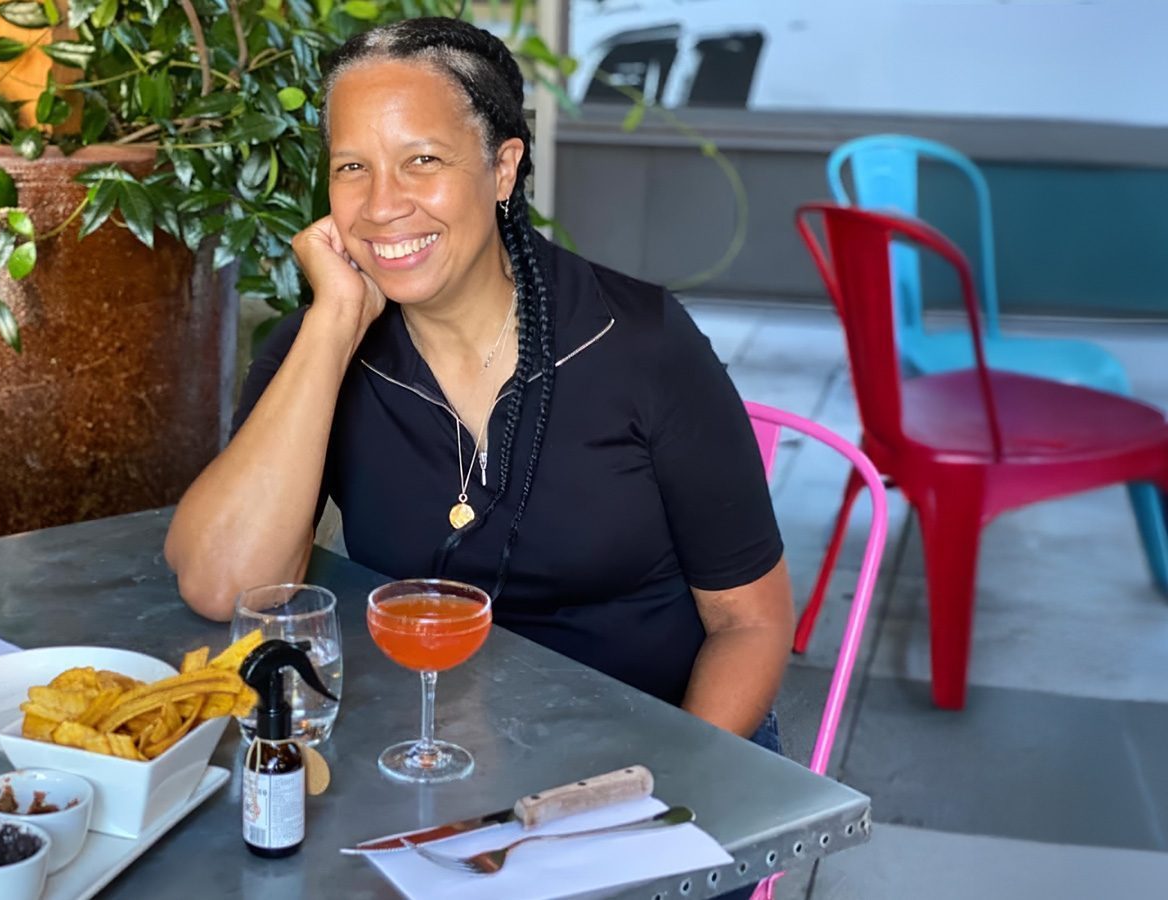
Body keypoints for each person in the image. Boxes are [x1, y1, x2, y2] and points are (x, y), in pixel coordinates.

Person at [166, 17, 791, 764]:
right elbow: (220, 584)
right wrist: (334, 323)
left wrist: (667, 808)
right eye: (352, 167)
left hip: (651, 761)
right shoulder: (322, 350)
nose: (381, 204)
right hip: (430, 757)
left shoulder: (641, 342)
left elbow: (749, 624)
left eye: (421, 160)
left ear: (501, 169)